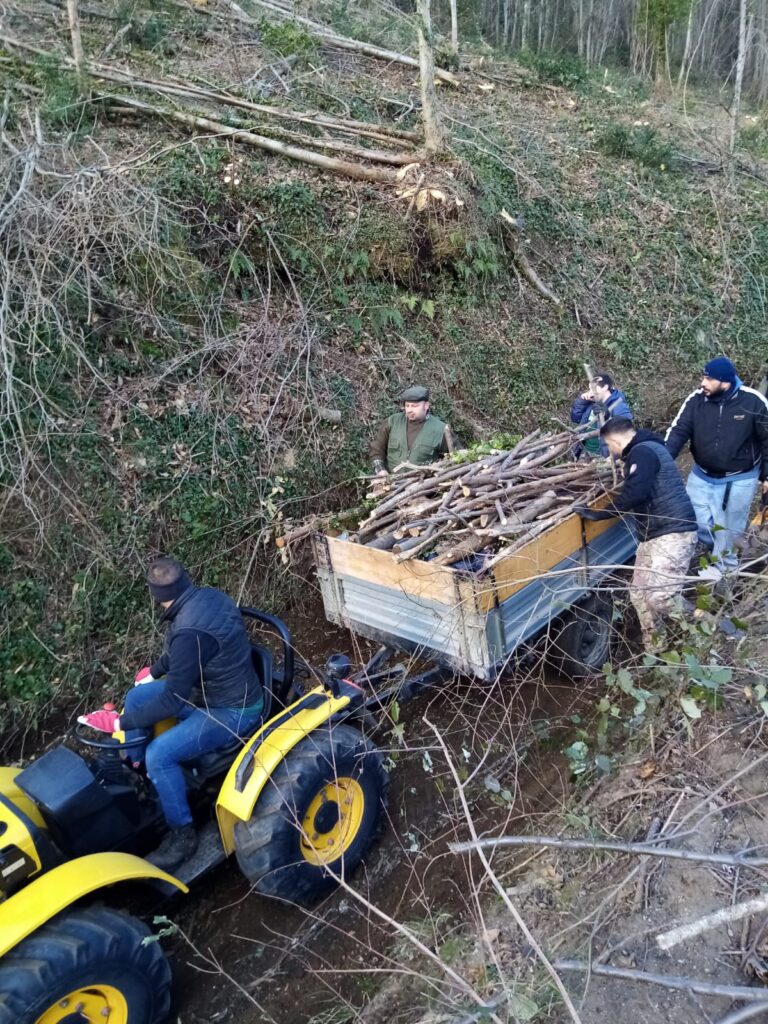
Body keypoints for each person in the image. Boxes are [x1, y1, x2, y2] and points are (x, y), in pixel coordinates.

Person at [78, 557, 263, 870]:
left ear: (157, 597)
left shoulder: (188, 631)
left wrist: (118, 722)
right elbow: (180, 658)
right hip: (209, 689)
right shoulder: (206, 598)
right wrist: (155, 671)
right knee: (137, 696)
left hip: (232, 708)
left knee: (160, 754)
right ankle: (136, 771)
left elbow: (172, 701)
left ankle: (182, 834)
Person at [575, 418, 698, 651]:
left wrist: (598, 514)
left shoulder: (643, 453)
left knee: (661, 598)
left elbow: (635, 493)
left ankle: (705, 624)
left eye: (609, 446)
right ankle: (656, 648)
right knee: (639, 594)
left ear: (615, 440)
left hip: (674, 532)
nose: (610, 451)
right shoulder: (643, 451)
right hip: (652, 534)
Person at [665, 356, 768, 576]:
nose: (703, 383)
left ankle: (725, 572)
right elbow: (678, 431)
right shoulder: (696, 400)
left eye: (709, 379)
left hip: (740, 477)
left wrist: (766, 476)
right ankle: (717, 548)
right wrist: (662, 460)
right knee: (695, 521)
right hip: (702, 475)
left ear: (725, 382)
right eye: (704, 377)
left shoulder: (753, 402)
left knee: (730, 528)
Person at [371, 385, 450, 477]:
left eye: (414, 406)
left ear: (426, 406)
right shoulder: (392, 422)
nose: (409, 410)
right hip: (391, 484)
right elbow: (377, 449)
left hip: (423, 487)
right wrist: (380, 470)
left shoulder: (441, 429)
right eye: (407, 405)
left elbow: (454, 457)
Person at [570, 372, 632, 459]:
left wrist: (607, 417)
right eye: (590, 389)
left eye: (594, 388)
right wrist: (582, 401)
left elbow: (626, 432)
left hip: (604, 456)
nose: (591, 392)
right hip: (585, 453)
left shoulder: (619, 406)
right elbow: (575, 419)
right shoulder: (592, 403)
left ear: (605, 387)